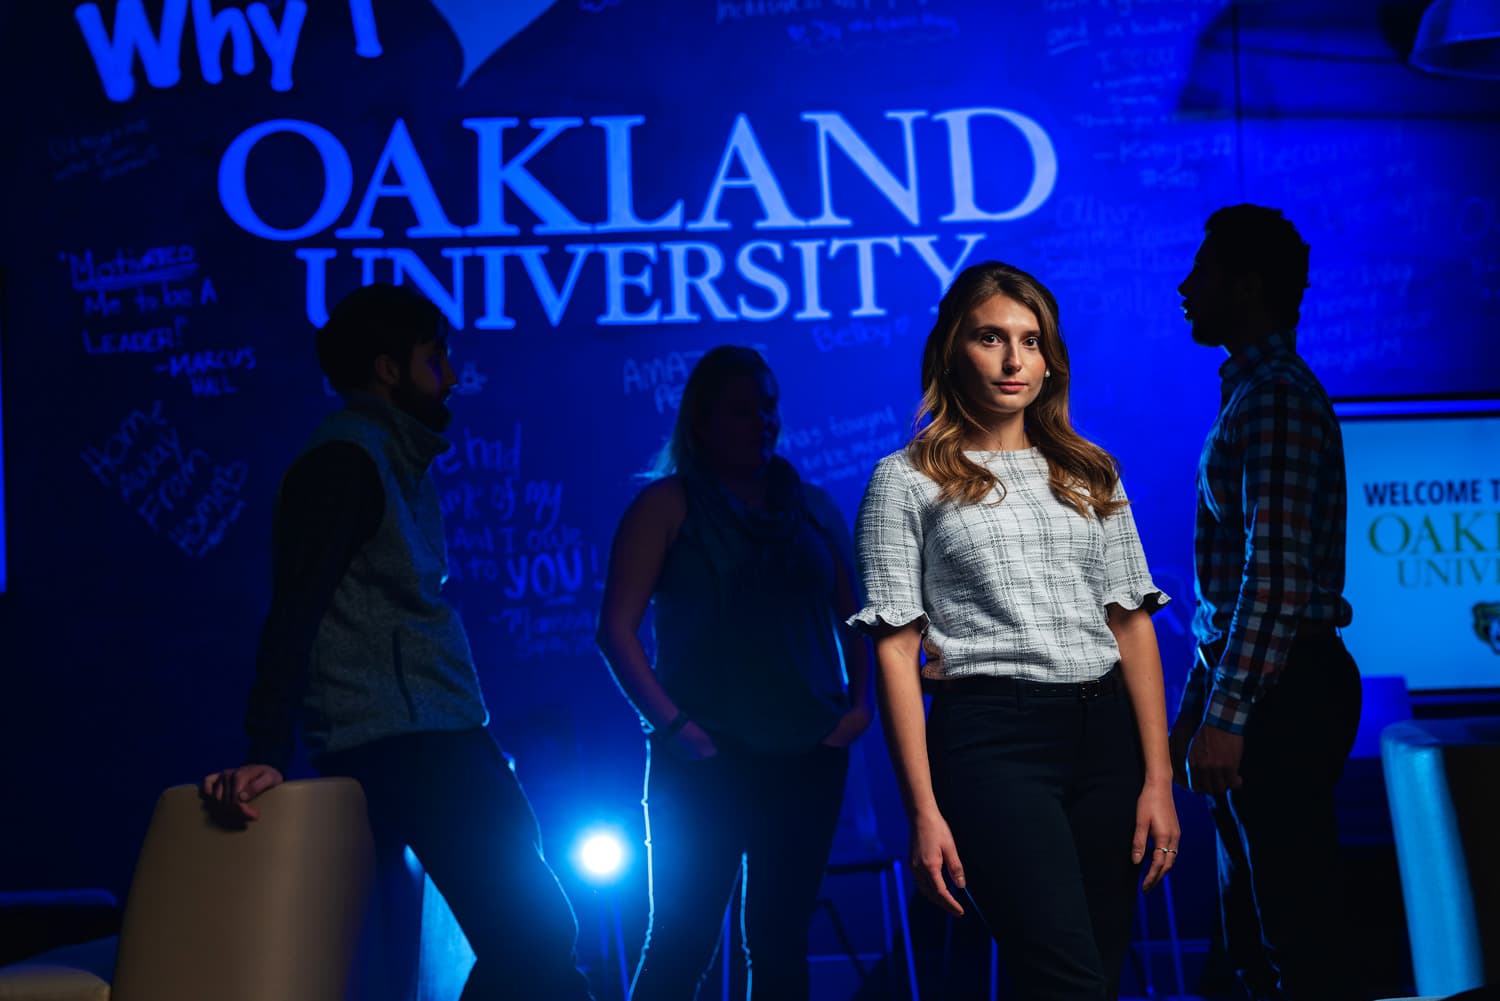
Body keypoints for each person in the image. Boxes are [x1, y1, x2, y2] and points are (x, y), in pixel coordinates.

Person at [199, 283, 595, 1001]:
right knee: (536, 936)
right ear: (388, 368)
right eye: (434, 355)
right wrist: (265, 750)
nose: (450, 372)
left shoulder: (390, 455)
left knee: (537, 939)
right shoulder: (345, 461)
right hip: (403, 740)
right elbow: (295, 608)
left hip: (431, 729)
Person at [851, 261, 1179, 1000]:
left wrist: (1158, 778)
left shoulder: (1091, 471)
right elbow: (898, 654)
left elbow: (1131, 626)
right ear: (950, 349)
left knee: (1095, 969)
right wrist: (923, 810)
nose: (1013, 360)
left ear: (1050, 357)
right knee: (1067, 981)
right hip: (991, 740)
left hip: (1106, 741)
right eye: (990, 337)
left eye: (1031, 341)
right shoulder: (904, 480)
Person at [595, 345, 874, 1001]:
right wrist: (678, 728)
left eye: (769, 407)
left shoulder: (811, 505)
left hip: (806, 752)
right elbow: (614, 630)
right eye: (743, 410)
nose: (763, 421)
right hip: (705, 759)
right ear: (703, 421)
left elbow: (859, 616)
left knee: (779, 942)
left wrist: (860, 710)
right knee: (683, 941)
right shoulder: (666, 505)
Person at [1170, 205, 1361, 1001]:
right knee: (1254, 933)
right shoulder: (1254, 391)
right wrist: (1201, 698)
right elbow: (1235, 578)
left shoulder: (1275, 396)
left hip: (1284, 689)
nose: (1186, 288)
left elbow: (1274, 573)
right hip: (1268, 686)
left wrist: (1228, 710)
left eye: (1203, 271)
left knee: (1292, 939)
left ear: (1245, 286)